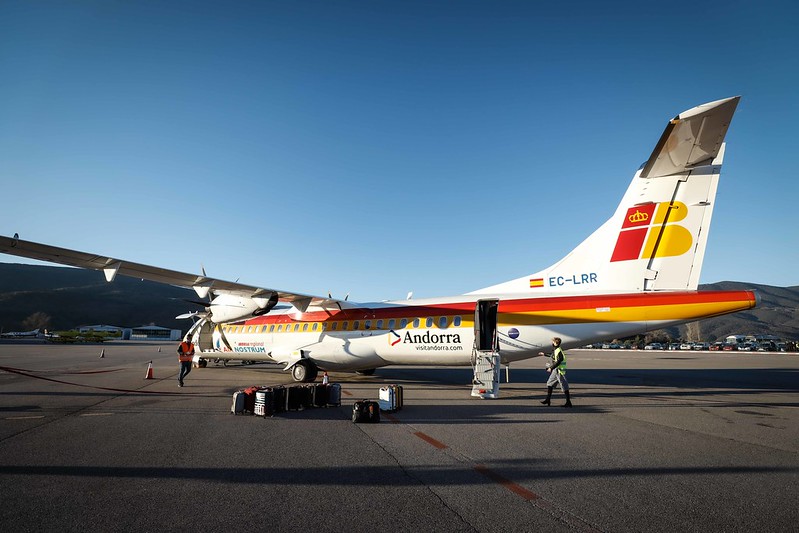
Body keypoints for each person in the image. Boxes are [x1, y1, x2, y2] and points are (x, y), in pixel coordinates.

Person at [539, 337, 572, 407]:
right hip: (555, 370)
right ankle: (548, 400)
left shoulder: (558, 351)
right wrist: (544, 354)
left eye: (553, 342)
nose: (552, 343)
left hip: (559, 371)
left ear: (556, 343)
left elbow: (559, 360)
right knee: (549, 383)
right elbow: (552, 356)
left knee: (564, 386)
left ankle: (568, 402)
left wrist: (551, 368)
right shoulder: (556, 350)